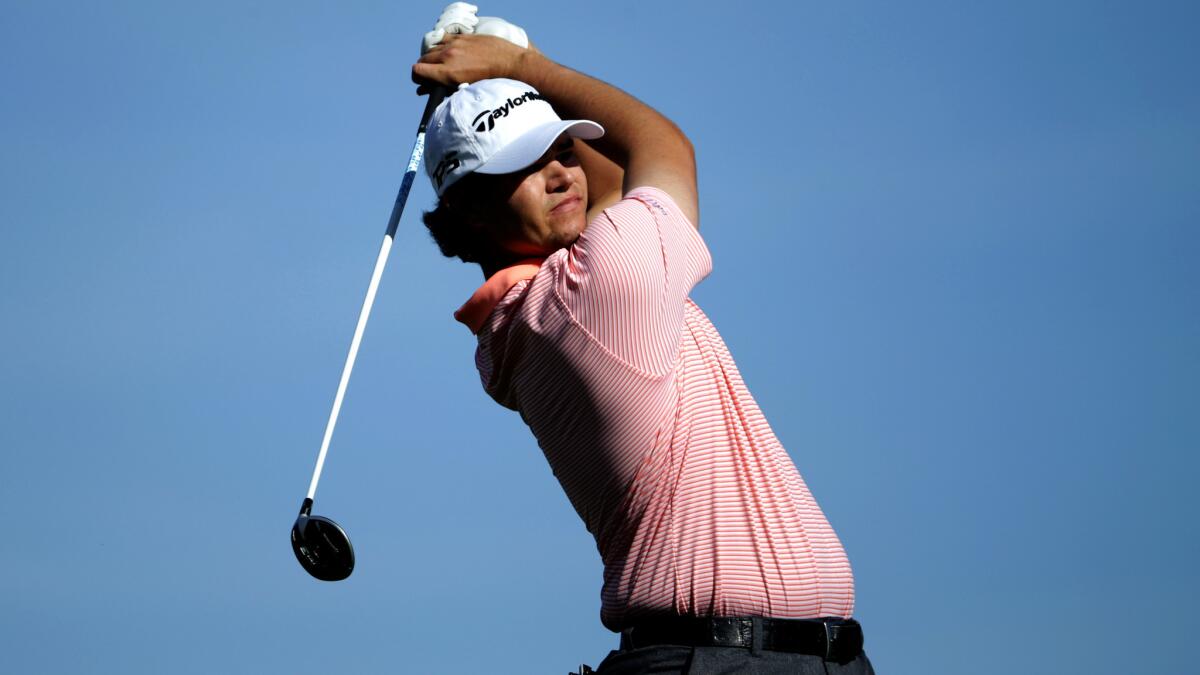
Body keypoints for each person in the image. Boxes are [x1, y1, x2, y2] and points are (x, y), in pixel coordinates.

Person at [412, 6, 875, 673]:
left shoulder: (544, 304)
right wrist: (524, 66)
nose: (562, 174)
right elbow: (659, 150)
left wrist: (517, 73)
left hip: (775, 658)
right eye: (526, 165)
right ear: (468, 211)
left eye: (562, 150)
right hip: (720, 663)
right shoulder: (591, 291)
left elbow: (604, 183)